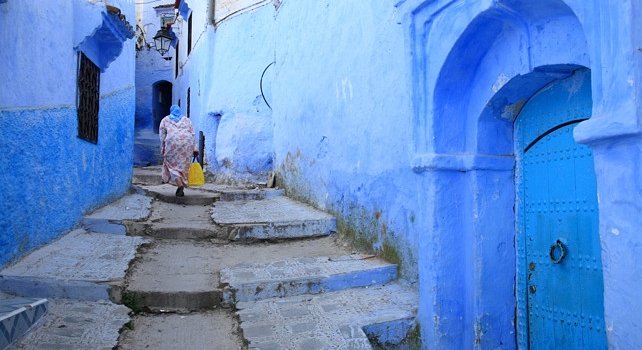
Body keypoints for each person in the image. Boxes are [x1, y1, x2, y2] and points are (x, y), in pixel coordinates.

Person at [159, 105, 198, 197]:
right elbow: (192, 134)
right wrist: (195, 148)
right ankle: (182, 184)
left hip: (172, 143)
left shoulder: (165, 120)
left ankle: (179, 185)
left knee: (171, 166)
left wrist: (163, 147)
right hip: (187, 143)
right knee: (183, 166)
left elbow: (162, 136)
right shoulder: (187, 120)